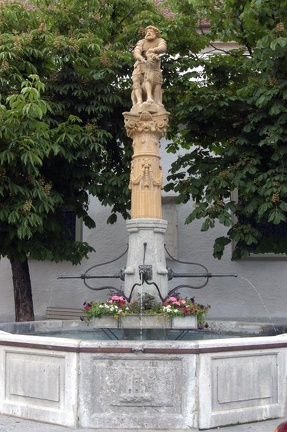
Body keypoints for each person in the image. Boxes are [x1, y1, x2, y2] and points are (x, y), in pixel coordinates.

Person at [132, 26, 167, 105]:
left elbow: (163, 47)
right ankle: (139, 101)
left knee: (155, 81)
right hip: (141, 64)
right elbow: (136, 51)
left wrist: (154, 50)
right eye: (147, 32)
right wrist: (140, 58)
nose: (149, 33)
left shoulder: (160, 40)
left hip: (153, 63)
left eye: (151, 31)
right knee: (136, 81)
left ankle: (154, 99)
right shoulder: (142, 41)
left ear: (156, 33)